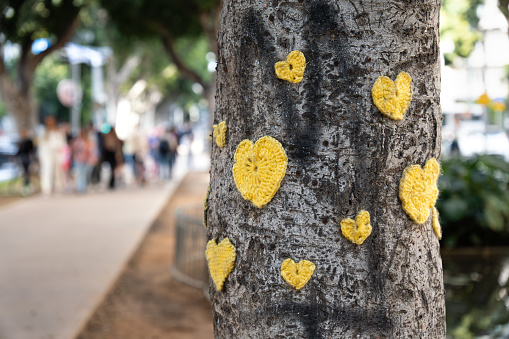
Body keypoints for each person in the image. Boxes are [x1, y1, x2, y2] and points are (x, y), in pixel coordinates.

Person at [38, 116, 66, 195]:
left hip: (57, 153)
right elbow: (41, 146)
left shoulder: (58, 132)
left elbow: (63, 144)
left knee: (58, 171)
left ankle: (59, 187)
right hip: (47, 154)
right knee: (47, 170)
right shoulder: (43, 133)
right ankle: (46, 188)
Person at [71, 128, 93, 193]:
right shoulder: (79, 142)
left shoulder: (86, 141)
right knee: (80, 174)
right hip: (79, 159)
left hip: (83, 159)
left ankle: (82, 187)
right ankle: (80, 188)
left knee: (83, 174)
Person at [16, 128, 34, 193]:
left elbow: (31, 150)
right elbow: (19, 151)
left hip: (27, 158)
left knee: (27, 172)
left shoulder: (29, 141)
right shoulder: (21, 142)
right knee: (24, 173)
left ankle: (28, 185)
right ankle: (25, 185)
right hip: (22, 159)